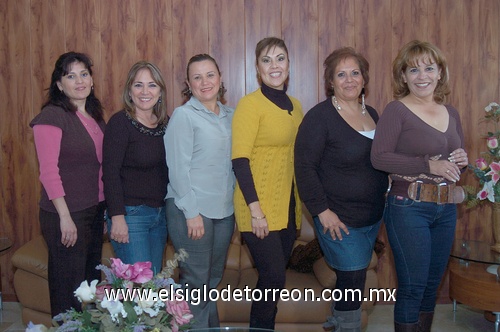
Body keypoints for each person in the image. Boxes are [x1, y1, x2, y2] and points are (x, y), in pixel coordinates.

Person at [371, 40, 468, 332]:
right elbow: (379, 158)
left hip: (446, 209)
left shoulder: (451, 113)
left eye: (429, 68)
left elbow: (453, 161)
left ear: (440, 73)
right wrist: (429, 165)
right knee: (412, 288)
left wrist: (461, 161)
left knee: (430, 288)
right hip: (408, 208)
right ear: (403, 76)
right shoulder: (396, 110)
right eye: (413, 69)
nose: (422, 75)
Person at [294, 47, 388, 332]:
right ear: (330, 82)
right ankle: (346, 326)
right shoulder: (319, 117)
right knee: (352, 278)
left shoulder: (372, 113)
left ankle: (336, 321)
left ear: (364, 78)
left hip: (372, 217)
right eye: (341, 74)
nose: (349, 80)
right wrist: (322, 212)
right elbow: (304, 168)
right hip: (337, 218)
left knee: (353, 281)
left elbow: (381, 159)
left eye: (355, 73)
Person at [231, 37, 303, 329]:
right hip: (257, 206)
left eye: (280, 58)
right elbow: (239, 161)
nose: (275, 66)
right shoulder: (250, 105)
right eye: (267, 60)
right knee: (273, 277)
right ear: (258, 69)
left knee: (272, 282)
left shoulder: (296, 106)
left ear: (288, 64)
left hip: (287, 207)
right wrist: (255, 211)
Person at [30, 52, 106, 317]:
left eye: (84, 74)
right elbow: (49, 172)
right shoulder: (52, 116)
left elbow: (99, 168)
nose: (79, 81)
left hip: (93, 211)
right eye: (70, 76)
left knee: (89, 287)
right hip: (65, 214)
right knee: (69, 291)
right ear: (60, 85)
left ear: (92, 79)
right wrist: (64, 217)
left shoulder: (95, 116)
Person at [164, 54, 235, 328]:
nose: (205, 82)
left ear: (220, 78)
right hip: (190, 210)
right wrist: (191, 213)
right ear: (188, 84)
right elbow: (177, 169)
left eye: (210, 75)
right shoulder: (184, 116)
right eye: (197, 77)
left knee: (210, 281)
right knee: (195, 282)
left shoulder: (232, 115)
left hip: (224, 210)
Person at [103, 61, 169, 274]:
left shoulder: (165, 123)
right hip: (131, 217)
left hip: (160, 216)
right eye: (138, 85)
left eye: (152, 85)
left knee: (153, 288)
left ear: (160, 91)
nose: (145, 91)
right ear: (129, 91)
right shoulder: (120, 123)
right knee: (140, 290)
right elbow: (110, 173)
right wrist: (117, 217)